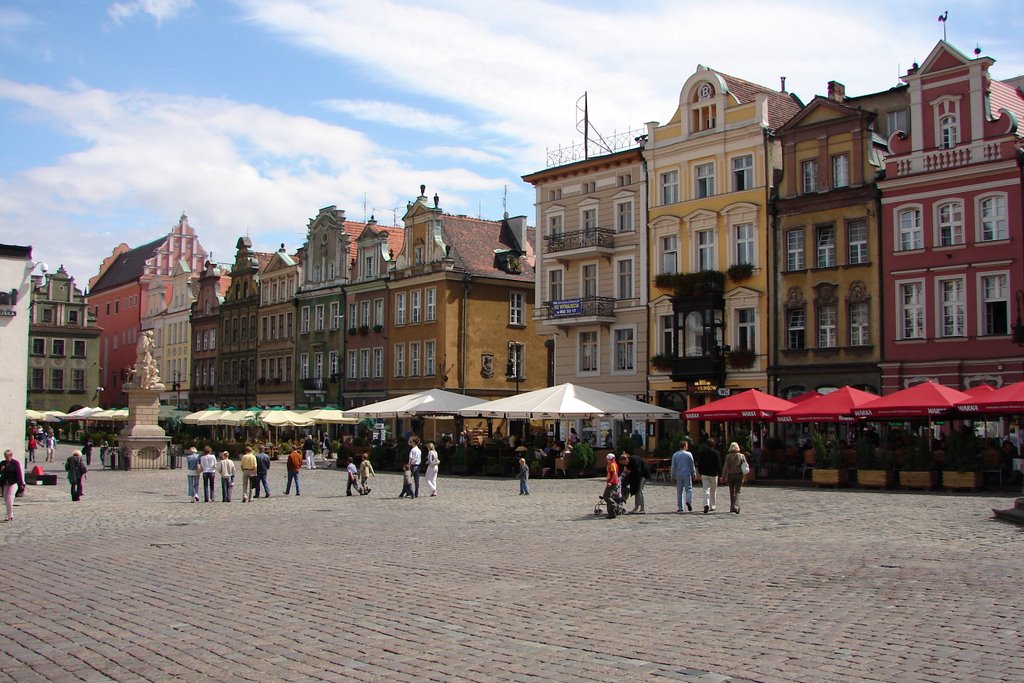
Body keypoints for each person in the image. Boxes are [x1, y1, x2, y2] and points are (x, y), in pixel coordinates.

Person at [695, 438, 722, 514]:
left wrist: (700, 472)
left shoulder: (702, 452)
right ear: (713, 445)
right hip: (713, 474)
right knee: (713, 490)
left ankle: (706, 504)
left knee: (706, 490)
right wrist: (720, 474)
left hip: (704, 474)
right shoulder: (716, 453)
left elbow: (699, 463)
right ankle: (712, 505)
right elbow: (718, 464)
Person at [722, 441, 748, 514]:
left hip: (731, 475)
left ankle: (732, 506)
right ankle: (736, 506)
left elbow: (725, 467)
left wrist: (723, 476)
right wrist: (745, 476)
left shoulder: (728, 456)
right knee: (737, 491)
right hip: (739, 475)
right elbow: (745, 466)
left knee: (731, 491)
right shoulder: (742, 456)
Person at [671, 438, 696, 513]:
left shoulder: (675, 455)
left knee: (679, 491)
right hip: (687, 473)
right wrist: (693, 473)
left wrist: (672, 476)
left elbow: (673, 467)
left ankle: (680, 507)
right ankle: (688, 500)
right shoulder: (689, 454)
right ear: (685, 446)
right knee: (688, 489)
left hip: (679, 474)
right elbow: (692, 464)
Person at [1, 449, 26, 522]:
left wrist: (21, 484)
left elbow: (19, 474)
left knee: (10, 498)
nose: (6, 458)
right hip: (5, 483)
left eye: (7, 456)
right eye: (5, 456)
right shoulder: (3, 463)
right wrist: (1, 470)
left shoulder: (15, 463)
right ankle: (8, 514)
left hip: (13, 483)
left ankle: (10, 515)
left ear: (11, 456)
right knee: (6, 499)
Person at [602, 453, 619, 518]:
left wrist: (611, 482)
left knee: (606, 496)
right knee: (608, 496)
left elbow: (614, 474)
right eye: (607, 459)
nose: (608, 460)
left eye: (609, 459)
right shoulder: (610, 464)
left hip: (613, 483)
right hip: (610, 482)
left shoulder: (612, 465)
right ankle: (611, 513)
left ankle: (615, 506)